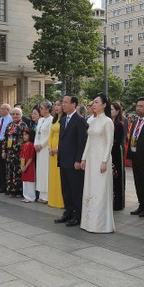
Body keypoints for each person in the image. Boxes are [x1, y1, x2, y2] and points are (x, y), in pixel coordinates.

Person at [80, 94, 115, 233]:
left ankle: (101, 225)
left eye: (96, 102)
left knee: (100, 190)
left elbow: (109, 142)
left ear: (104, 105)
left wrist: (104, 161)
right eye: (92, 102)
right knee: (90, 188)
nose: (93, 105)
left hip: (101, 158)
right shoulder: (92, 121)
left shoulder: (107, 121)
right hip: (91, 159)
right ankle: (88, 222)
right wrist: (83, 158)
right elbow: (89, 141)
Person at [56, 95, 87, 227]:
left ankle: (77, 214)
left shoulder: (79, 120)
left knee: (75, 189)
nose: (63, 105)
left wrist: (78, 160)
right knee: (66, 188)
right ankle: (68, 211)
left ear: (74, 104)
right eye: (62, 102)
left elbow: (82, 142)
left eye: (66, 103)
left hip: (74, 161)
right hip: (63, 160)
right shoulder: (63, 120)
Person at [2, 107, 28, 198]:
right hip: (9, 152)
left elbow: (26, 140)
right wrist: (4, 151)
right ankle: (11, 189)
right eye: (13, 114)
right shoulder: (9, 125)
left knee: (18, 172)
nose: (15, 116)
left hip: (19, 153)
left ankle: (19, 191)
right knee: (10, 171)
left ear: (21, 115)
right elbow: (5, 139)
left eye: (17, 114)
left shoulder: (23, 125)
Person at [33, 101, 53, 204]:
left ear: (47, 109)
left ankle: (47, 196)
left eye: (41, 108)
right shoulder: (40, 120)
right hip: (38, 148)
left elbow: (49, 135)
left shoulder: (51, 120)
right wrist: (36, 144)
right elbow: (37, 133)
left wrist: (42, 145)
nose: (40, 110)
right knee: (40, 171)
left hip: (45, 148)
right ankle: (41, 194)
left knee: (45, 171)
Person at [47, 101, 64, 209]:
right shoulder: (54, 120)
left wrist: (57, 149)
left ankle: (60, 200)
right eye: (55, 105)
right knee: (53, 174)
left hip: (59, 149)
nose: (56, 107)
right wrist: (49, 147)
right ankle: (53, 199)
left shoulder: (64, 120)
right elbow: (50, 134)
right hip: (52, 149)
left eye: (59, 105)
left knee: (59, 175)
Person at [110, 101, 126, 212]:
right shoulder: (107, 122)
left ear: (117, 111)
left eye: (112, 109)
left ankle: (118, 203)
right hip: (107, 152)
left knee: (117, 177)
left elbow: (118, 140)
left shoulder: (119, 124)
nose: (110, 111)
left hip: (116, 152)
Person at [20, 129, 36, 203]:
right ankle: (26, 195)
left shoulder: (31, 145)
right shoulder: (23, 145)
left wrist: (26, 166)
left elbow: (31, 157)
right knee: (25, 180)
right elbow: (21, 156)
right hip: (23, 164)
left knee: (30, 180)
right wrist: (21, 165)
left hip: (29, 165)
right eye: (23, 135)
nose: (24, 136)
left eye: (26, 135)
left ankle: (31, 196)